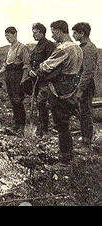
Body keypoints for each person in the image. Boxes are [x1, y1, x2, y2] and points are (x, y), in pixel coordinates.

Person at [29, 20, 83, 166]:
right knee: (65, 121)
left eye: (53, 32)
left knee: (61, 124)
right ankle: (68, 154)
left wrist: (37, 71)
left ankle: (65, 158)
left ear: (59, 31)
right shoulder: (77, 48)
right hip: (71, 88)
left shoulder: (63, 48)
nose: (52, 36)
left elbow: (46, 66)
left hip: (59, 89)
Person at [0, 26, 30, 133]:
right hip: (9, 76)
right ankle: (16, 123)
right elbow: (5, 65)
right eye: (6, 36)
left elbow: (26, 65)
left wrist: (23, 79)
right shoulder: (9, 49)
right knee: (13, 100)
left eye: (9, 36)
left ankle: (21, 125)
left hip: (18, 75)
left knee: (18, 100)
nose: (7, 38)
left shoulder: (23, 48)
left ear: (15, 34)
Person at [25, 23, 56, 137]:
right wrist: (30, 72)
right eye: (33, 32)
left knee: (41, 102)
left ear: (41, 32)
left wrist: (38, 72)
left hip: (45, 80)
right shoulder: (37, 46)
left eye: (35, 32)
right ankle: (41, 127)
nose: (33, 34)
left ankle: (45, 128)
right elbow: (32, 63)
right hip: (36, 80)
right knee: (38, 104)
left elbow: (51, 65)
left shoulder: (49, 45)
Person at [72, 22, 98, 150]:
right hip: (79, 83)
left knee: (86, 112)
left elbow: (88, 72)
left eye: (75, 33)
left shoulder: (89, 48)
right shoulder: (82, 47)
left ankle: (87, 142)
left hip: (85, 85)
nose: (73, 35)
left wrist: (80, 89)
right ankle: (84, 137)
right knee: (81, 112)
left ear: (82, 33)